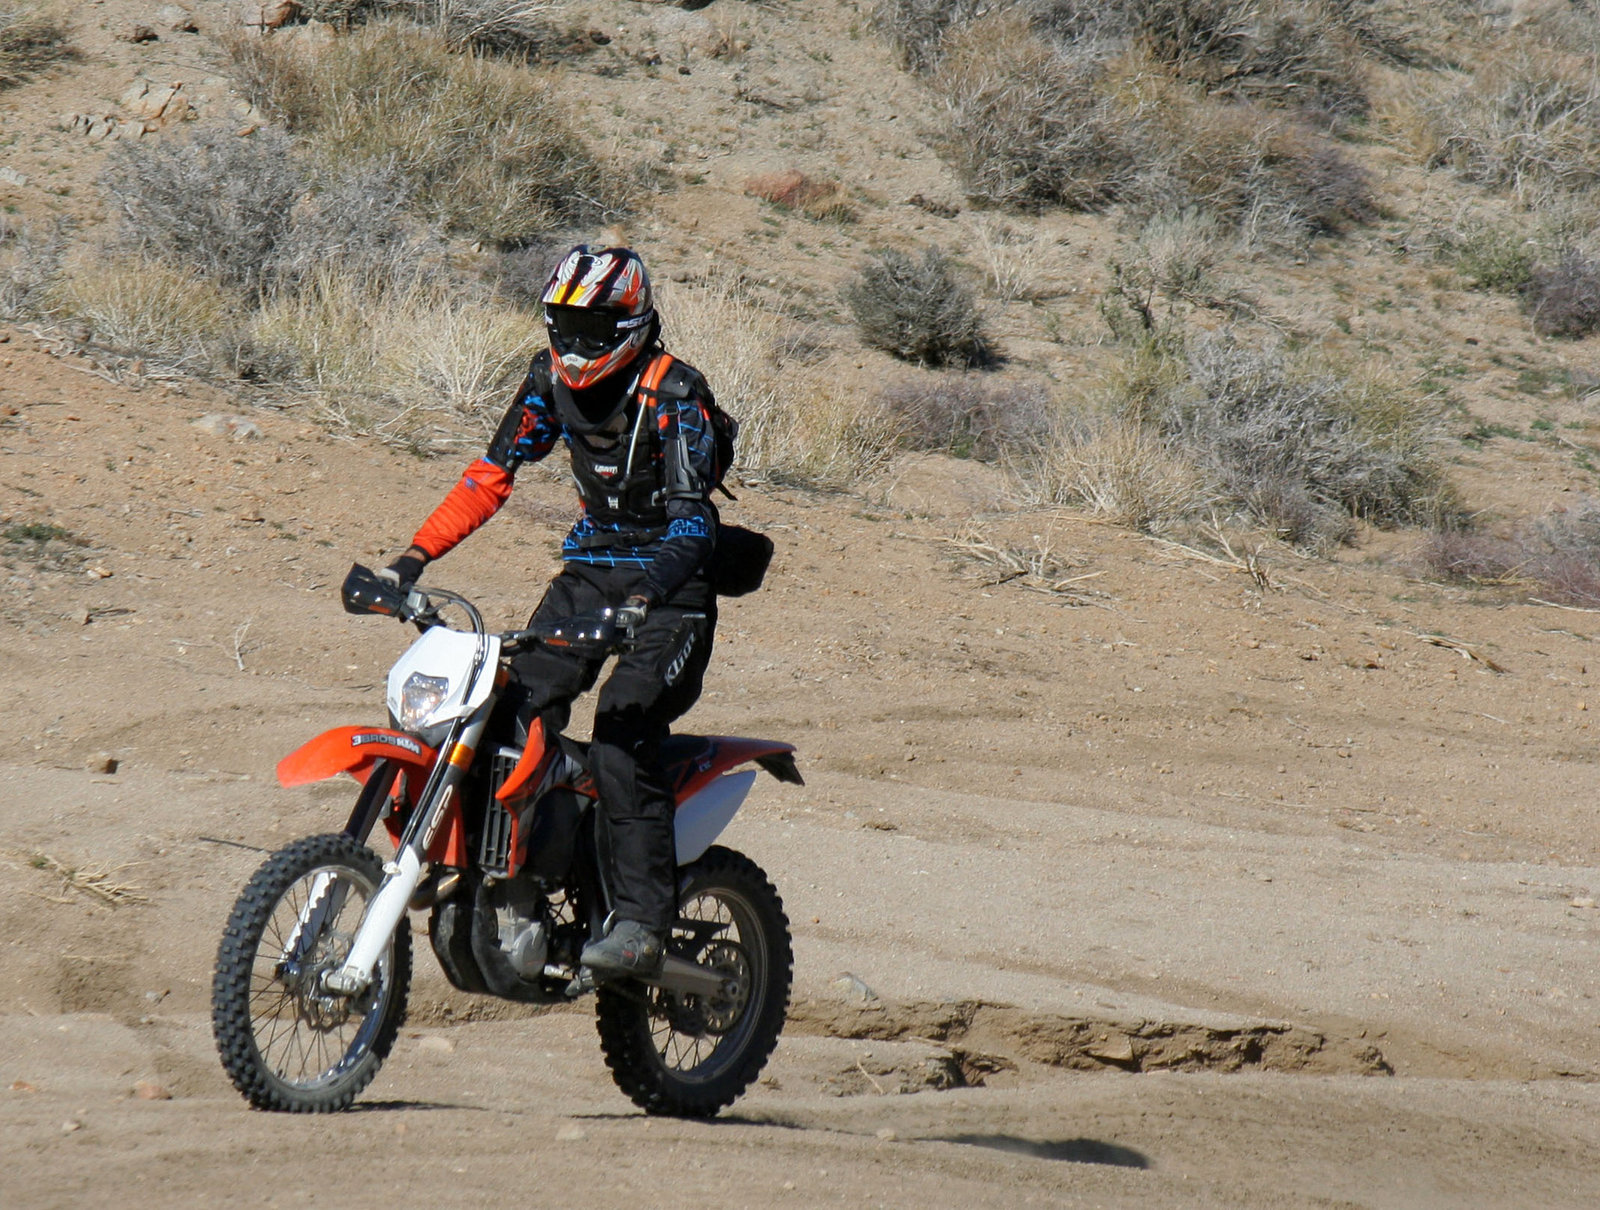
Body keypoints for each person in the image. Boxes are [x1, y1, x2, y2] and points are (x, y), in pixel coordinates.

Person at [378, 245, 721, 981]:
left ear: (631, 325)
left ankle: (640, 924)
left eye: (591, 327)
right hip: (590, 573)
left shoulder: (675, 397)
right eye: (563, 323)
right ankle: (516, 878)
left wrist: (647, 595)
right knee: (506, 704)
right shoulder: (546, 381)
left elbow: (696, 525)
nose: (574, 343)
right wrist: (411, 559)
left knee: (623, 732)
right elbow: (489, 477)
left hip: (673, 594)